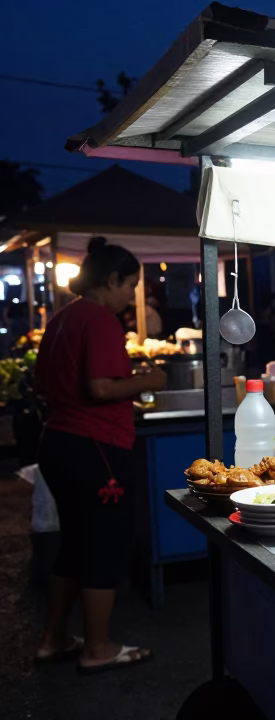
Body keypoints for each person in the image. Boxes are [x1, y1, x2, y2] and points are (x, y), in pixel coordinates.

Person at [32, 237, 168, 674]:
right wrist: (151, 380)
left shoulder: (62, 319)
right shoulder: (101, 321)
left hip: (57, 443)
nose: (131, 295)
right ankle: (98, 647)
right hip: (97, 449)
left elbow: (42, 384)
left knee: (74, 544)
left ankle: (53, 639)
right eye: (130, 286)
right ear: (111, 281)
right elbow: (101, 388)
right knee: (104, 547)